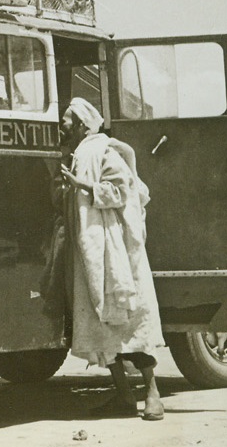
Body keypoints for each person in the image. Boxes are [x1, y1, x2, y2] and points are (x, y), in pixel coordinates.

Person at [59, 97, 166, 421]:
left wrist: (83, 185)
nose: (61, 126)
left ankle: (152, 395)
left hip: (117, 252)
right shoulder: (79, 154)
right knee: (103, 328)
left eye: (66, 121)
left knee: (131, 323)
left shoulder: (104, 150)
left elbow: (122, 191)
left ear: (80, 123)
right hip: (92, 253)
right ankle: (123, 396)